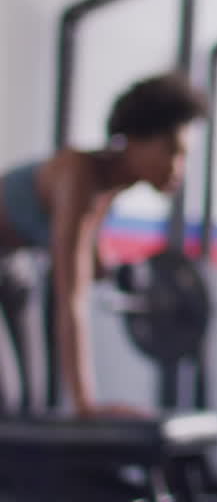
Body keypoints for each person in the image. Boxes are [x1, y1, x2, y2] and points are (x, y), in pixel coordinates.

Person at [0, 72, 206, 419]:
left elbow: (92, 266)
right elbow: (71, 297)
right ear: (135, 140)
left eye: (185, 156)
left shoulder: (107, 190)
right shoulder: (79, 175)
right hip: (10, 263)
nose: (178, 168)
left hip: (11, 264)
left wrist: (120, 273)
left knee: (28, 408)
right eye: (172, 151)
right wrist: (85, 404)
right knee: (5, 401)